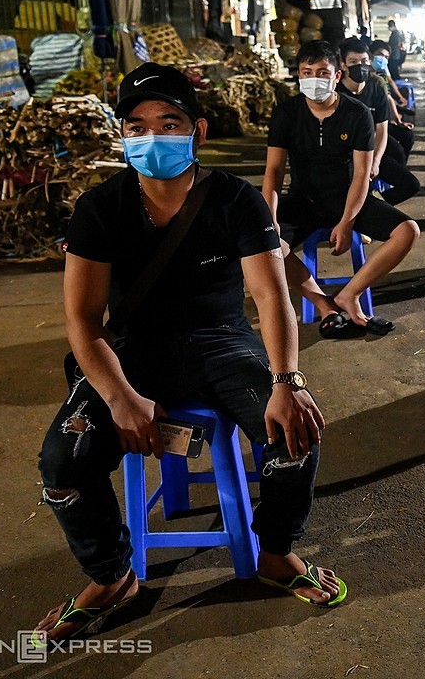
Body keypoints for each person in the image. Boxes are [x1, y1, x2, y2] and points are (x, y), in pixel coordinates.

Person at [33, 62, 341, 643]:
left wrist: (287, 382)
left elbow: (272, 298)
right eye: (137, 124)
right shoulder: (100, 208)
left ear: (197, 131)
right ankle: (110, 576)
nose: (151, 137)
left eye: (168, 122)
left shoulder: (235, 199)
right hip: (131, 351)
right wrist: (121, 398)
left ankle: (274, 553)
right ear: (123, 134)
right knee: (61, 465)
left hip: (221, 340)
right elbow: (82, 320)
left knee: (294, 435)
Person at [263, 41, 420, 338]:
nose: (314, 79)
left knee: (407, 231)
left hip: (346, 198)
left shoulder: (357, 113)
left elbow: (362, 173)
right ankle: (324, 305)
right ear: (298, 75)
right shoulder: (286, 113)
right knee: (263, 244)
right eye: (307, 72)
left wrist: (347, 222)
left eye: (322, 72)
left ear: (337, 76)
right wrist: (270, 219)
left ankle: (349, 295)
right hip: (303, 199)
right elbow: (273, 171)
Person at [338, 37, 420, 206]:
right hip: (345, 155)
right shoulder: (335, 90)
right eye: (353, 61)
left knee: (410, 184)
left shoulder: (376, 85)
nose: (359, 66)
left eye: (364, 61)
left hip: (371, 148)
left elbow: (382, 129)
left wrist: (375, 163)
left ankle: (375, 203)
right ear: (343, 65)